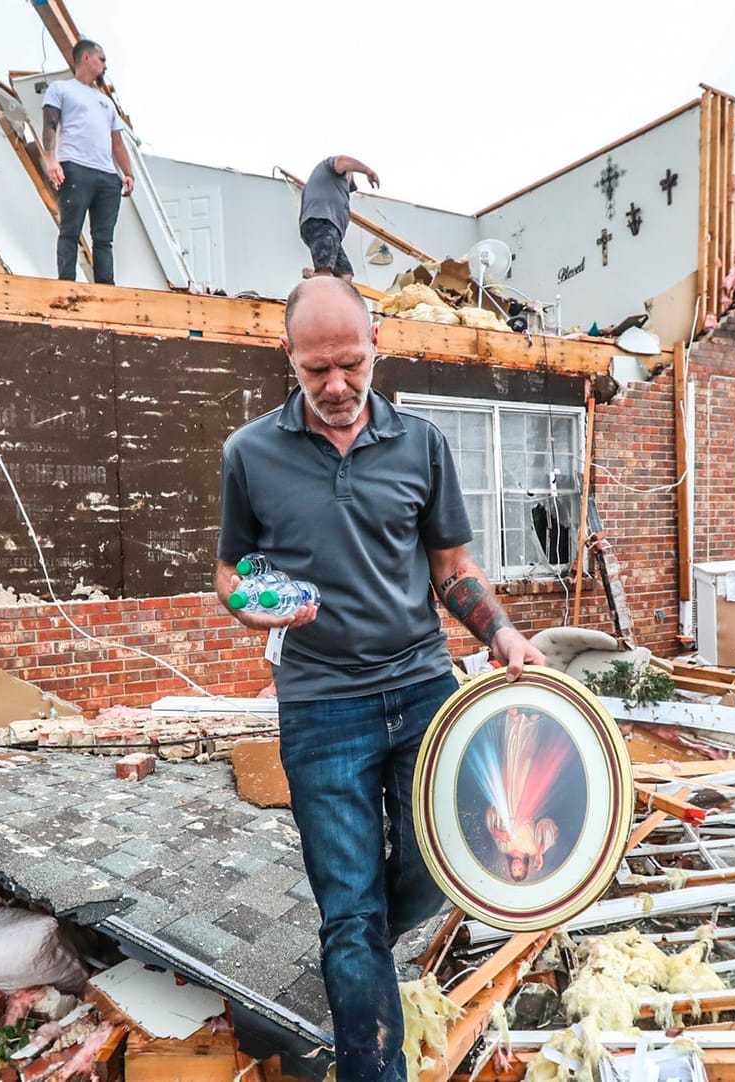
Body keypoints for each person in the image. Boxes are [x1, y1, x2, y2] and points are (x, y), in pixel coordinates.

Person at [215, 277, 545, 1081]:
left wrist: (500, 633)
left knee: (439, 871)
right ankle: (370, 1048)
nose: (336, 386)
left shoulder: (421, 443)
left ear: (376, 349)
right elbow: (231, 571)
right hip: (322, 707)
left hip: (423, 691)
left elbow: (452, 570)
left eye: (351, 365)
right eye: (316, 369)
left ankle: (359, 947)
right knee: (350, 910)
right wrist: (254, 603)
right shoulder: (249, 454)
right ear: (287, 355)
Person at [40, 40, 133, 284]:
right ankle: (67, 285)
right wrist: (51, 161)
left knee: (104, 239)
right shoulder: (61, 89)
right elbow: (49, 125)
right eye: (101, 59)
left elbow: (117, 142)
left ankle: (106, 288)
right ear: (86, 58)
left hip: (106, 174)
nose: (104, 65)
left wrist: (128, 173)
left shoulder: (105, 101)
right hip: (75, 166)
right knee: (70, 230)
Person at [298, 155, 379, 282]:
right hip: (323, 222)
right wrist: (367, 171)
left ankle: (315, 275)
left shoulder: (329, 185)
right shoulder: (330, 168)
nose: (348, 187)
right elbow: (342, 161)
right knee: (325, 271)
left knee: (345, 274)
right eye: (350, 183)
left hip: (329, 229)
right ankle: (318, 277)